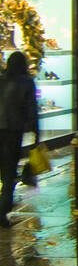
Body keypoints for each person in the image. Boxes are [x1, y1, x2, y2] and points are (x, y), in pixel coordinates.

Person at [0, 52, 39, 227]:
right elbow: (31, 110)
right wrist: (36, 134)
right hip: (12, 132)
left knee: (6, 172)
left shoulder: (2, 79)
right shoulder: (26, 82)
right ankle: (2, 211)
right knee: (9, 174)